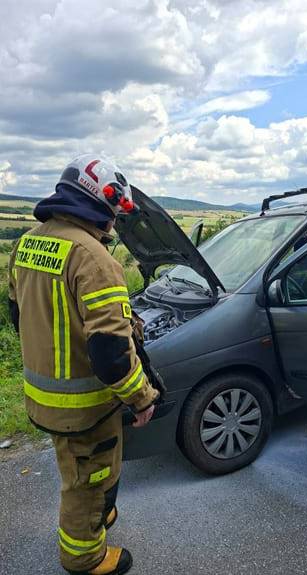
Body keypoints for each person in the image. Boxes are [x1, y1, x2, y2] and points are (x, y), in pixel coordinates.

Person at [7, 154, 160, 575]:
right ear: (102, 202)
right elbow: (111, 351)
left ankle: (96, 516)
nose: (114, 222)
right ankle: (84, 556)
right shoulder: (94, 259)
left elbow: (17, 316)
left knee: (76, 467)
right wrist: (142, 397)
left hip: (45, 394)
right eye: (115, 211)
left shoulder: (28, 243)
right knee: (88, 480)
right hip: (84, 406)